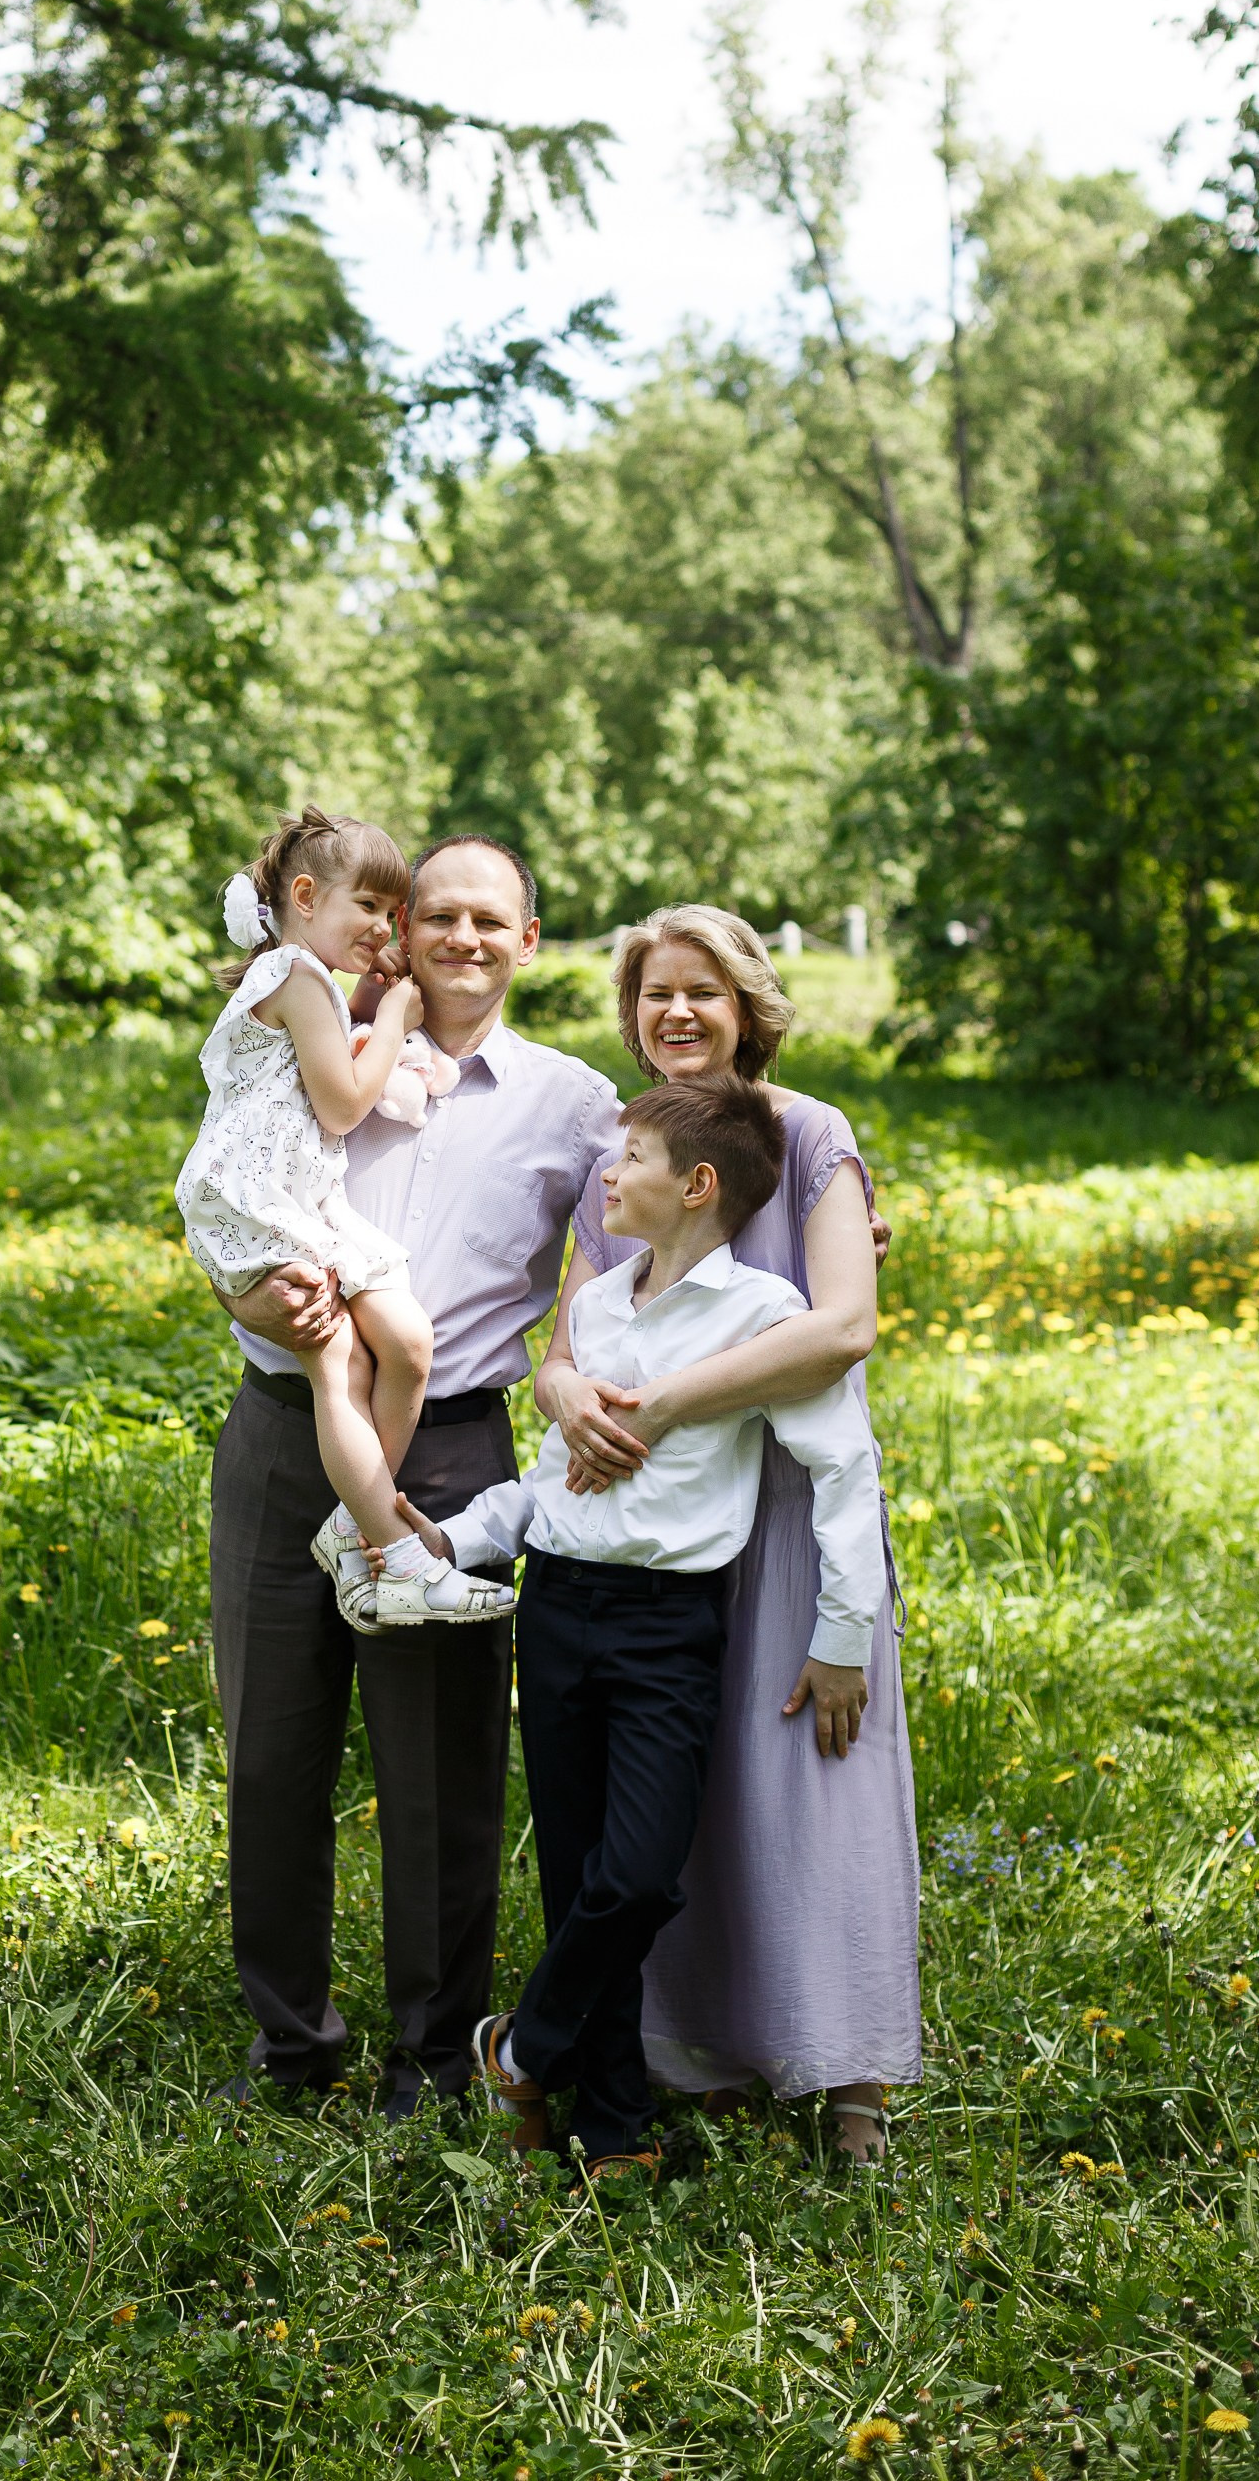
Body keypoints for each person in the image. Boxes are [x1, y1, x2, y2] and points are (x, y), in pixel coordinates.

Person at [399, 1074, 885, 2173]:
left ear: (696, 1185)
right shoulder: (595, 1310)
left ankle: (517, 2049)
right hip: (557, 1608)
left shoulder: (762, 1319)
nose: (604, 1176)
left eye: (625, 1160)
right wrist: (451, 1539)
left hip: (667, 1629)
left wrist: (840, 1633)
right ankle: (610, 2130)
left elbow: (842, 1474)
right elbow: (548, 1486)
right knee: (576, 1877)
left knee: (639, 1877)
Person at [205, 834, 622, 2115]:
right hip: (283, 1428)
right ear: (400, 929)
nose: (460, 939)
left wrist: (836, 1193)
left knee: (437, 1774)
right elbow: (228, 1184)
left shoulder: (571, 1102)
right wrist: (236, 1287)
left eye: (489, 920)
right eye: (437, 914)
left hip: (452, 1453)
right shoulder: (317, 1041)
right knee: (272, 1756)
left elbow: (687, 1195)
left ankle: (431, 2060)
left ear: (528, 942)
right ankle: (292, 2050)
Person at [538, 904, 917, 2164]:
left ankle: (844, 2067)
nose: (677, 1013)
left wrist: (658, 1406)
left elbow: (841, 1329)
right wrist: (567, 1400)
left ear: (749, 1003)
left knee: (813, 1766)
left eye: (702, 990)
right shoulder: (630, 1151)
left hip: (790, 1515)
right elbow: (568, 1346)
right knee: (689, 1800)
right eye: (654, 993)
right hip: (656, 1527)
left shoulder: (807, 1134)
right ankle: (695, 2044)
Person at [176, 806, 510, 1630]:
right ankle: (393, 1551)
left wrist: (367, 1001)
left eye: (391, 913)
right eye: (370, 906)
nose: (383, 928)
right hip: (264, 1199)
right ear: (303, 895)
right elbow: (343, 1101)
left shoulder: (307, 980)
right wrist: (394, 1018)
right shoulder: (292, 976)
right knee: (339, 1361)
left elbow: (332, 1049)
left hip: (299, 1195)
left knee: (407, 1343)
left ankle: (352, 1529)